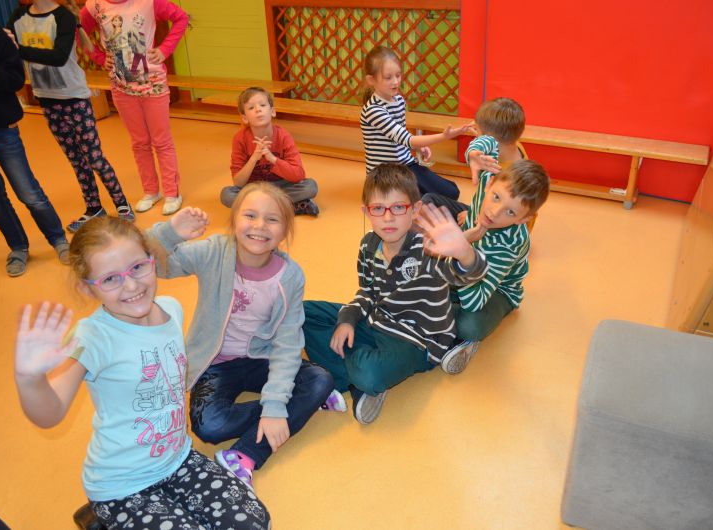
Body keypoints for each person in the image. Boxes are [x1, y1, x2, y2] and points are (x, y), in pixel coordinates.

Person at [13, 216, 271, 529]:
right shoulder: (92, 337)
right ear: (87, 288)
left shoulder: (171, 308)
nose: (132, 285)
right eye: (110, 279)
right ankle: (101, 517)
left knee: (255, 522)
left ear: (152, 260)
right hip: (122, 486)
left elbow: (138, 246)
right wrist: (30, 379)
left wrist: (170, 232)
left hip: (178, 459)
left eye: (138, 267)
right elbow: (50, 413)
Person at [147, 182, 337, 489]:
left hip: (262, 358)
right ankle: (302, 405)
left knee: (320, 380)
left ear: (285, 229)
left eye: (272, 219)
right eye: (250, 215)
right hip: (216, 364)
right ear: (234, 220)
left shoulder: (290, 276)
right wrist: (169, 233)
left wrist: (274, 407)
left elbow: (288, 344)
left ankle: (245, 455)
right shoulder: (214, 252)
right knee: (209, 426)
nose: (259, 226)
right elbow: (148, 264)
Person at [302, 164, 487, 425]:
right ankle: (351, 370)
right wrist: (348, 319)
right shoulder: (368, 245)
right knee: (302, 312)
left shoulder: (428, 248)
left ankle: (349, 378)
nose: (388, 218)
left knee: (368, 374)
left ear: (415, 210)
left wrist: (464, 253)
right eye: (378, 209)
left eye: (398, 207)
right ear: (366, 212)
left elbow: (469, 274)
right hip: (378, 320)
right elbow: (367, 291)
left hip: (417, 340)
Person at [7, 0, 134, 233]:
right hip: (47, 99)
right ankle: (94, 208)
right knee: (76, 159)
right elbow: (5, 46)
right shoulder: (18, 16)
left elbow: (58, 57)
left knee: (94, 158)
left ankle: (121, 203)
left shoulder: (63, 17)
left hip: (74, 98)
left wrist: (18, 49)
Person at [423, 160, 551, 374]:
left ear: (524, 219)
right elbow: (486, 145)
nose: (494, 212)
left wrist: (463, 251)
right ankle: (440, 309)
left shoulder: (508, 245)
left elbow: (475, 302)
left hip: (495, 290)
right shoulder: (487, 179)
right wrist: (473, 154)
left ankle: (457, 336)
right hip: (465, 258)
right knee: (429, 202)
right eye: (496, 197)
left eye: (510, 212)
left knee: (470, 325)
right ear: (490, 184)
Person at [0, 12, 69, 277]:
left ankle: (58, 240)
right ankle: (18, 247)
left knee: (28, 192)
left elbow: (15, 79)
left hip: (1, 128)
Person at [80, 0, 189, 215]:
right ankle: (151, 191)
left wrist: (165, 49)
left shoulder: (149, 1)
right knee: (139, 142)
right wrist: (98, 57)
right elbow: (77, 31)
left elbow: (181, 18)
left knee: (161, 141)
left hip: (152, 82)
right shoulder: (94, 5)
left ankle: (172, 193)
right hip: (121, 86)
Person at [360, 45, 474, 200]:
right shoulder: (373, 110)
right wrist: (444, 136)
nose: (395, 81)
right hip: (384, 173)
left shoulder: (398, 100)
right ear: (371, 80)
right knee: (417, 201)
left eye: (398, 75)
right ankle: (384, 193)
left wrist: (419, 147)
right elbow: (408, 139)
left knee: (452, 192)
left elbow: (401, 135)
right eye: (388, 77)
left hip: (406, 165)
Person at [220, 87, 320, 216]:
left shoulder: (284, 136)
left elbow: (298, 175)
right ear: (244, 118)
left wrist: (272, 158)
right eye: (251, 108)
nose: (258, 109)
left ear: (272, 111)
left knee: (310, 186)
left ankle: (260, 209)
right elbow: (238, 182)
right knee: (227, 194)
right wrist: (254, 158)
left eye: (262, 105)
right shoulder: (240, 139)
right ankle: (289, 207)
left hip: (281, 186)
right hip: (255, 189)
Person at [465, 97, 526, 185]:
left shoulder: (495, 172)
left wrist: (481, 133)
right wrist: (481, 131)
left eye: (477, 130)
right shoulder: (515, 143)